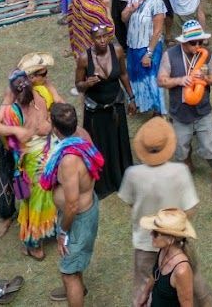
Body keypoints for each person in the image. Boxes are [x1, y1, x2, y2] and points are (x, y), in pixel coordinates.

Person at [120, 118, 201, 307]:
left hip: (144, 243)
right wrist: (172, 226)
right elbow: (190, 209)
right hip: (175, 241)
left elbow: (130, 203)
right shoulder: (180, 171)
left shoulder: (132, 173)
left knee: (143, 291)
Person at [0, 66, 57, 260]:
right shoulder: (14, 108)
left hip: (47, 154)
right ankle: (34, 241)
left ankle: (41, 236)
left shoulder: (38, 95)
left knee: (44, 196)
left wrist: (47, 126)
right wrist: (18, 131)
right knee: (38, 198)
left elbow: (55, 113)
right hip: (34, 159)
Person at [40, 102, 104, 307]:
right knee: (73, 267)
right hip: (82, 211)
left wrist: (62, 232)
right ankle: (77, 287)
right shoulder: (81, 135)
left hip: (77, 219)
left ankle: (73, 285)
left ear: (56, 129)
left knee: (68, 273)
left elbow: (72, 205)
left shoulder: (69, 160)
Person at [159, 19, 212, 201]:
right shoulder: (170, 55)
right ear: (183, 42)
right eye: (192, 42)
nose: (197, 45)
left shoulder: (207, 55)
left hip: (202, 110)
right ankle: (188, 166)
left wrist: (205, 77)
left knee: (211, 145)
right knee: (181, 148)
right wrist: (180, 81)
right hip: (180, 112)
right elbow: (161, 80)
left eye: (200, 42)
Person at [75, 19, 134, 199]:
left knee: (118, 142)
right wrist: (87, 83)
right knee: (99, 145)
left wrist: (131, 97)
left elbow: (123, 74)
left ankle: (121, 178)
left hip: (115, 106)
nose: (102, 41)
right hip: (96, 110)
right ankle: (102, 183)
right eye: (98, 38)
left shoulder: (116, 51)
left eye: (104, 37)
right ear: (92, 39)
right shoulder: (84, 59)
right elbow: (77, 86)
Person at [139, 207, 200, 307]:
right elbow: (155, 274)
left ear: (170, 240)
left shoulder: (181, 270)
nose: (150, 234)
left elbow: (187, 304)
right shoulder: (163, 250)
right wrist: (145, 294)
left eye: (155, 233)